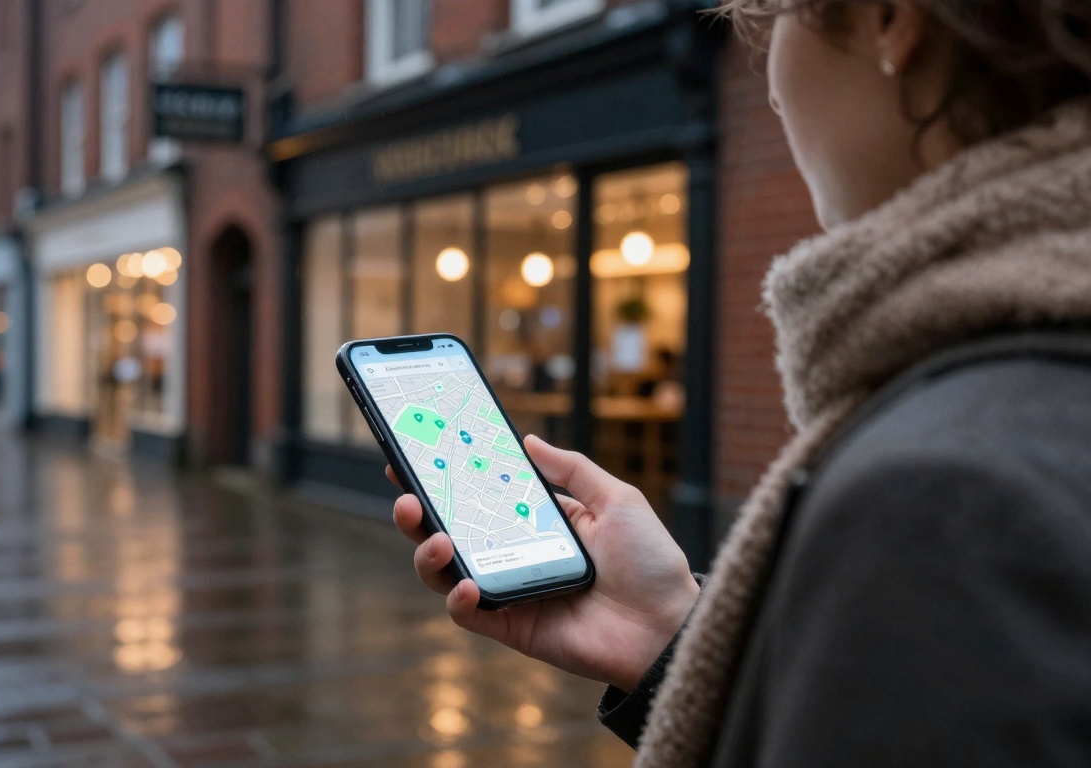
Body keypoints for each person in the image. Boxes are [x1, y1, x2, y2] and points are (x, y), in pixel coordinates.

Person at [388, 2, 1091, 766]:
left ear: (894, 20)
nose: (775, 88)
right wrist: (670, 638)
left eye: (782, 16)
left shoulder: (942, 498)